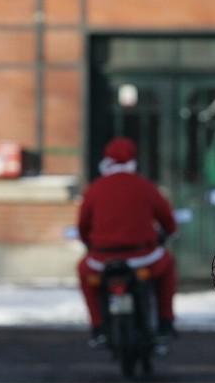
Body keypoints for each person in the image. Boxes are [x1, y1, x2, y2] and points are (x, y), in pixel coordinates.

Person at [76, 136, 178, 346]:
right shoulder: (146, 186)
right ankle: (165, 322)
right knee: (168, 264)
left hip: (101, 258)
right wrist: (168, 232)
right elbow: (167, 219)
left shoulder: (95, 188)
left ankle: (97, 326)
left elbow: (83, 225)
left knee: (83, 270)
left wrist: (87, 241)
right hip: (143, 257)